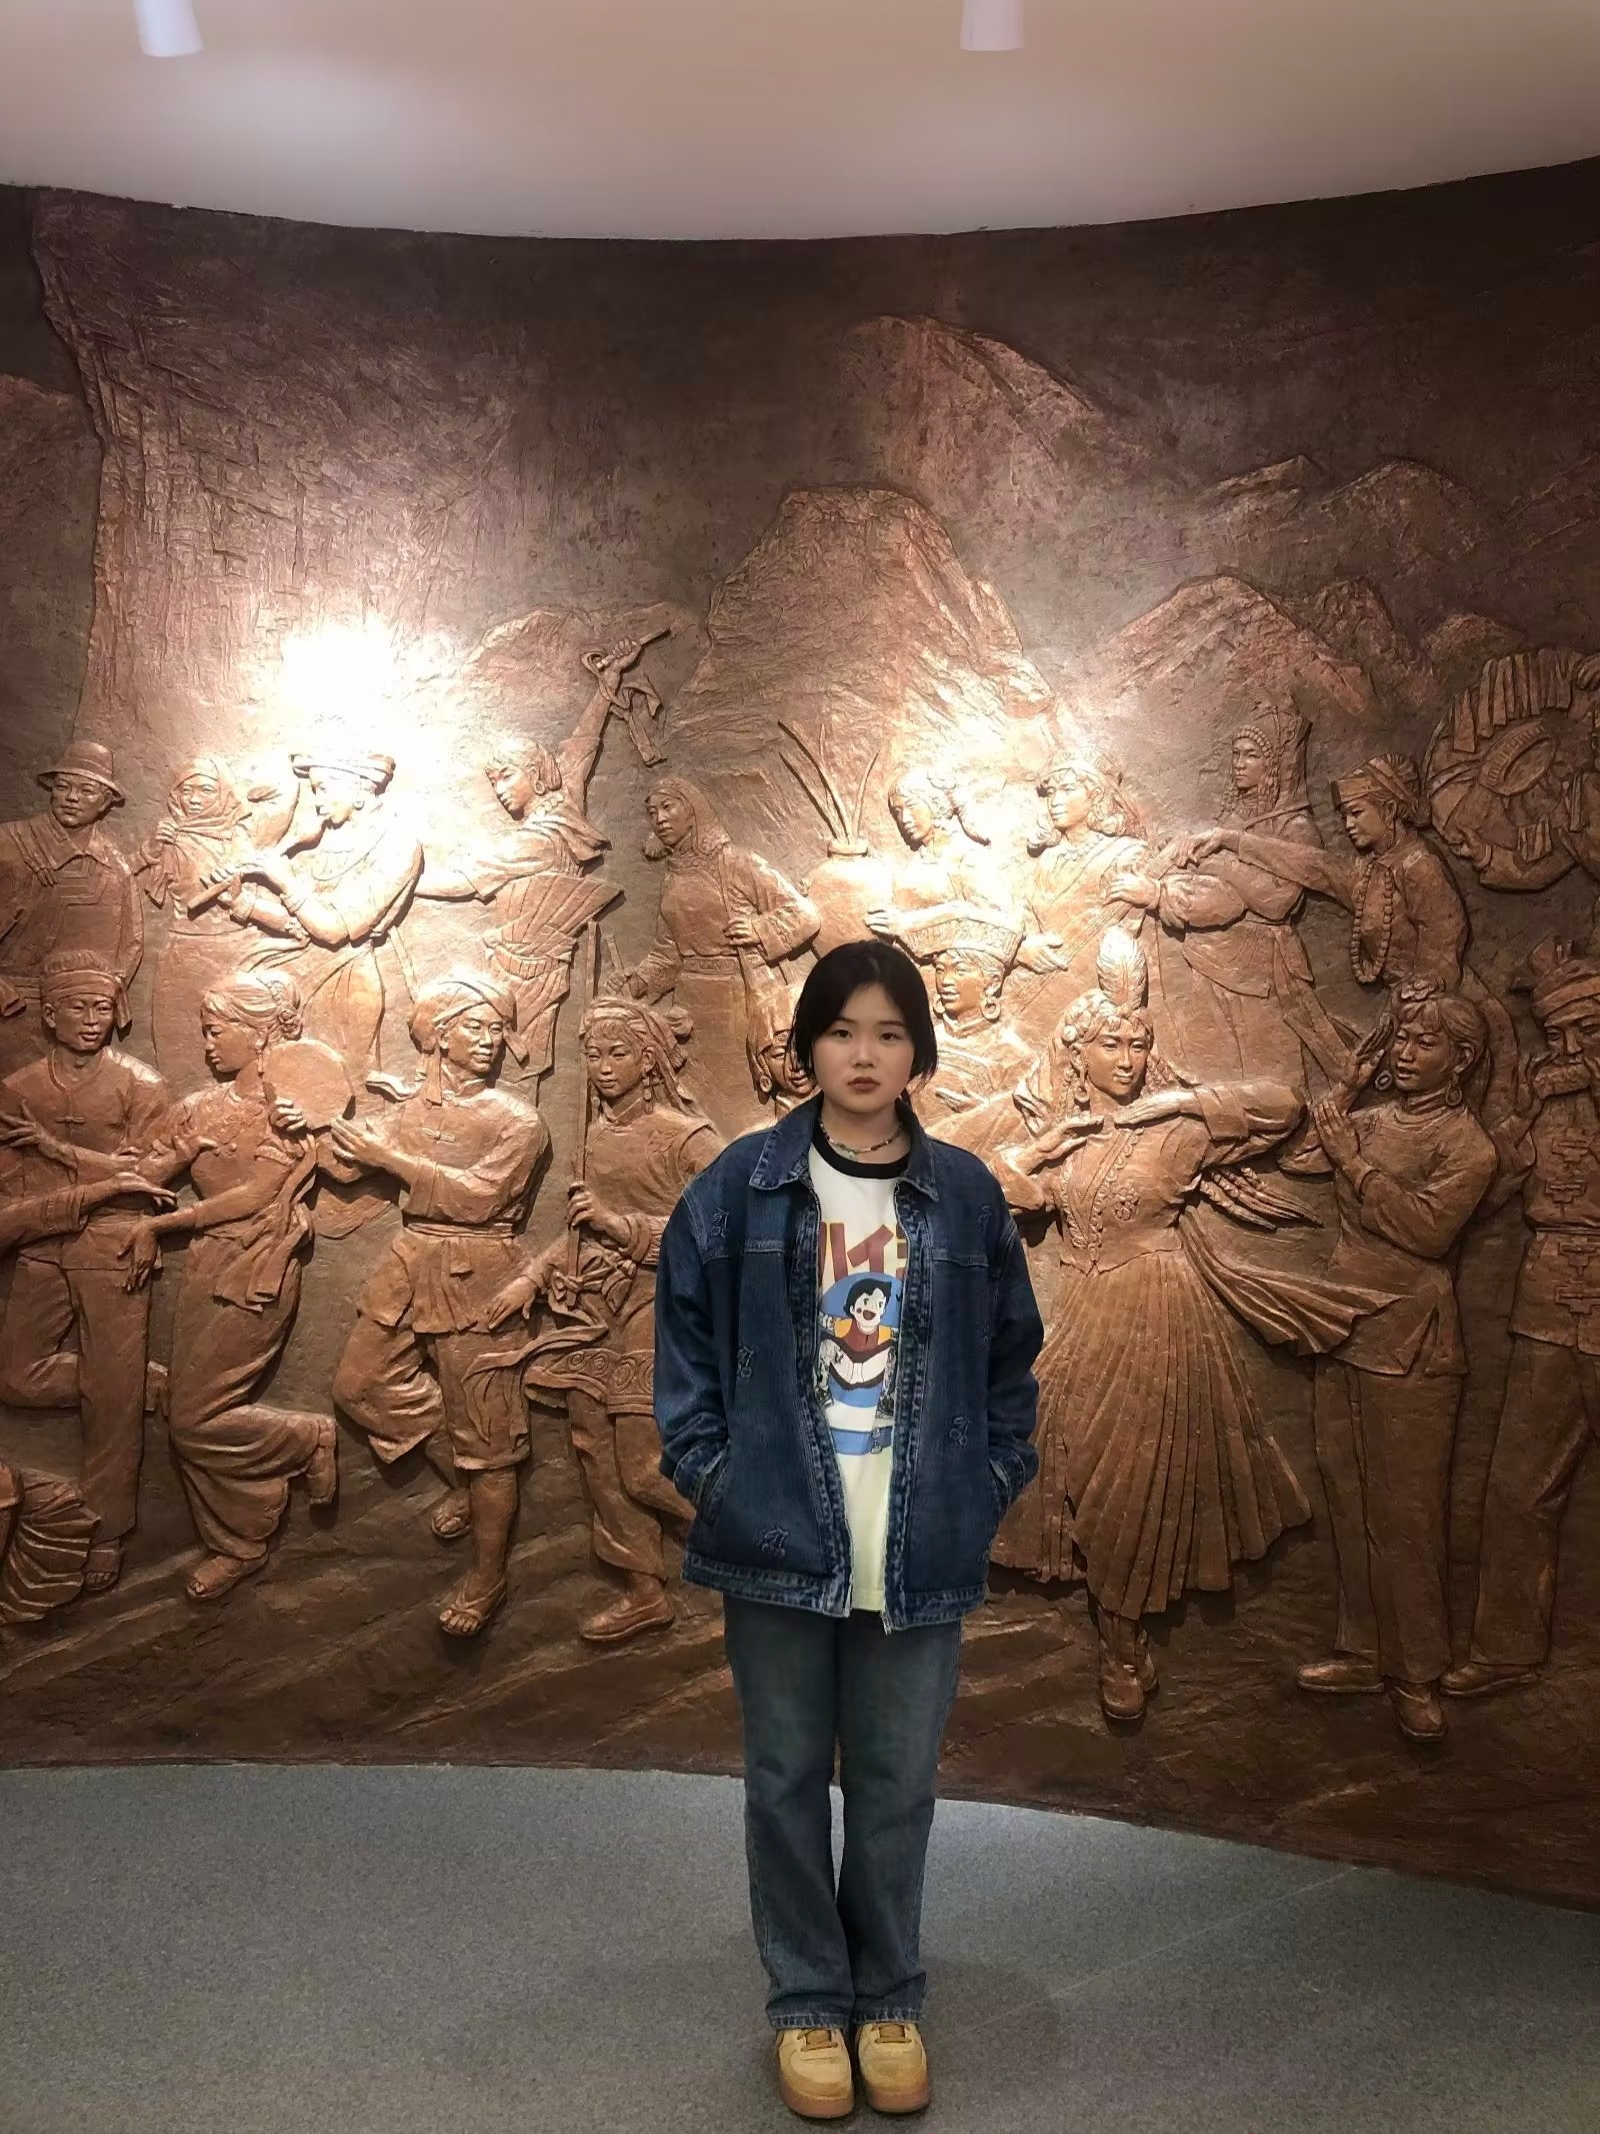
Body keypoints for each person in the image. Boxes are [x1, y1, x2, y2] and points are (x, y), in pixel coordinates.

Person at [654, 938, 1042, 2121]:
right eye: (839, 1031)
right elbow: (683, 1348)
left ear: (916, 1051)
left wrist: (987, 1480)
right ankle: (808, 2002)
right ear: (807, 1046)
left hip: (916, 1539)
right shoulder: (742, 1185)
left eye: (886, 1032)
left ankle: (888, 1997)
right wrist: (714, 1476)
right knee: (782, 1779)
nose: (863, 1055)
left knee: (894, 1784)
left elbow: (1011, 1357)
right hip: (776, 1535)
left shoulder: (963, 1193)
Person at [992, 928, 1312, 1722]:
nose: (1128, 1059)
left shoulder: (1179, 1134)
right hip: (1082, 1313)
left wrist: (1179, 1100)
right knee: (1069, 1463)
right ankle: (1110, 1622)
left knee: (1132, 1476)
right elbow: (1005, 1194)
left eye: (1139, 1045)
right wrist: (1036, 1150)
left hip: (1158, 1313)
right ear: (1078, 1055)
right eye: (1111, 1046)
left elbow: (1285, 1107)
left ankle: (1122, 1639)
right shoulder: (1066, 1140)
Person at [487, 997, 722, 1644]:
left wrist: (626, 1228)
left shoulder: (687, 1138)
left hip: (664, 1306)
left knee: (643, 1463)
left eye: (618, 1053)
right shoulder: (590, 1137)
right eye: (593, 1055)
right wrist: (533, 1278)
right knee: (593, 1449)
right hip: (596, 1308)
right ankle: (644, 1589)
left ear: (648, 1059)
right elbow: (578, 1234)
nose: (604, 1067)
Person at [1299, 984, 1497, 1741]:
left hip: (1412, 1346)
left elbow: (1426, 1231)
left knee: (1407, 1515)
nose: (1407, 1055)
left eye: (1425, 1043)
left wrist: (1355, 1167)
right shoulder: (1371, 1120)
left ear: (1462, 1058)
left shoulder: (1468, 1146)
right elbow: (1304, 1157)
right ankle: (1362, 1649)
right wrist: (1348, 1089)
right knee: (1348, 1497)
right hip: (1344, 1328)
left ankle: (1417, 1674)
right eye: (1402, 1041)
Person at [328, 972, 548, 1637]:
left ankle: (489, 1574)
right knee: (359, 1385)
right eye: (475, 1028)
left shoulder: (519, 1121)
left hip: (480, 1270)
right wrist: (305, 1121)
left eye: (496, 1030)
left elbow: (481, 1198)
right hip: (410, 1261)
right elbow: (346, 1163)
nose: (490, 1041)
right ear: (440, 1036)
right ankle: (460, 1477)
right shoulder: (411, 1109)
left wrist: (391, 1158)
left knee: (490, 1440)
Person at [119, 971, 341, 1602]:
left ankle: (306, 1438)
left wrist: (165, 1224)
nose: (209, 1044)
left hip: (258, 1266)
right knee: (186, 1415)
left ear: (261, 1032)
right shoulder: (197, 1107)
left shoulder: (293, 1109)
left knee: (195, 1420)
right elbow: (145, 1173)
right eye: (205, 1031)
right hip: (207, 1264)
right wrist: (175, 1157)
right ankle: (241, 1542)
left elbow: (257, 1195)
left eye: (218, 1031)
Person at [1445, 941, 1600, 1697]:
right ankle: (1507, 1648)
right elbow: (1489, 1195)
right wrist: (1519, 1121)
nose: (1568, 1050)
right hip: (1548, 1302)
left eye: (1587, 1032)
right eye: (1556, 1034)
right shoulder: (1544, 1095)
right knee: (1518, 1486)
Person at [0, 948, 170, 1591]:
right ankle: (141, 1385)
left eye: (102, 1007)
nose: (93, 1019)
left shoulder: (141, 1086)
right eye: (77, 1007)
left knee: (110, 1398)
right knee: (17, 1377)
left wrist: (64, 1156)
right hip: (42, 1242)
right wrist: (100, 1172)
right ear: (49, 1015)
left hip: (114, 1243)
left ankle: (107, 1528)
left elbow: (150, 1176)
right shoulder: (19, 1090)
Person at [0, 741, 143, 1077]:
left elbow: (130, 942)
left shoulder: (114, 867)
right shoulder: (9, 843)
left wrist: (103, 998)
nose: (71, 797)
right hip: (11, 1009)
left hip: (80, 1022)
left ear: (105, 802)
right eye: (63, 786)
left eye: (86, 790)